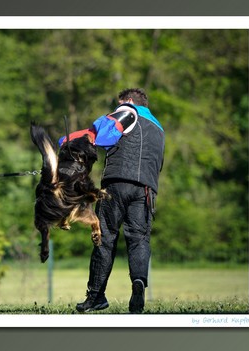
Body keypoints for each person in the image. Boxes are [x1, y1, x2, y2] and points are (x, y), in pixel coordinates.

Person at [61, 88, 165, 313]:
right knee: (139, 239)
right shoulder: (159, 128)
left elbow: (102, 134)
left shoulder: (128, 111)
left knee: (104, 238)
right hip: (146, 189)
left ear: (128, 101)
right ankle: (138, 282)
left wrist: (65, 142)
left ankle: (95, 296)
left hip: (116, 184)